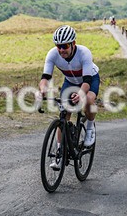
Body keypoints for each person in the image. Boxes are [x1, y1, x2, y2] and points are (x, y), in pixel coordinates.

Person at [37, 25, 100, 168]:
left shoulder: (84, 53)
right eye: (58, 46)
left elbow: (87, 81)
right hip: (70, 82)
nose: (61, 50)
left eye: (64, 46)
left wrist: (81, 94)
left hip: (89, 79)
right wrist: (42, 90)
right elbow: (45, 77)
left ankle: (90, 128)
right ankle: (60, 154)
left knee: (88, 100)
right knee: (63, 115)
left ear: (73, 44)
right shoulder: (52, 54)